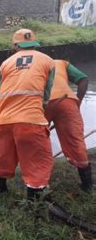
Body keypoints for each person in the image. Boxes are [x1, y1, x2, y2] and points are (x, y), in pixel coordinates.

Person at [0, 29, 55, 201]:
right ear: (34, 44)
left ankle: (1, 190)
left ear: (15, 46)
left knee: (5, 155)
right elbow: (47, 95)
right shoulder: (48, 62)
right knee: (38, 160)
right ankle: (34, 202)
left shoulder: (5, 64)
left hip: (5, 120)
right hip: (31, 120)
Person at [44, 59, 92, 192]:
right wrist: (78, 103)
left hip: (42, 102)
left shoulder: (32, 64)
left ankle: (40, 185)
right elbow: (83, 79)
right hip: (66, 101)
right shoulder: (61, 63)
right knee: (75, 141)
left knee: (40, 141)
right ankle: (87, 185)